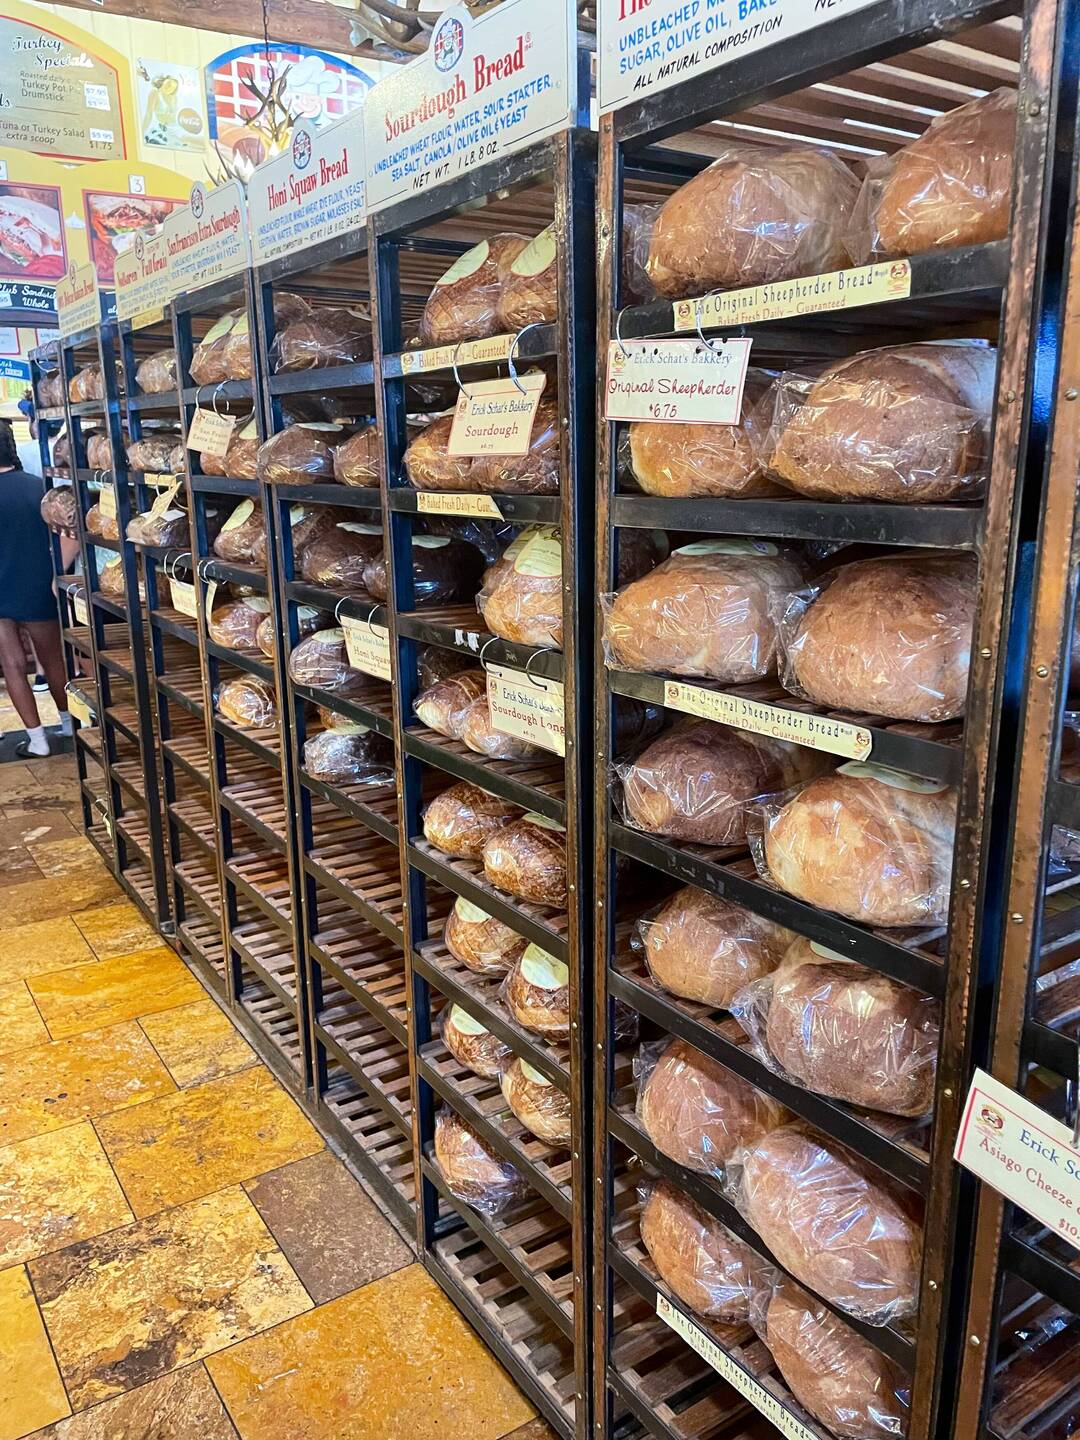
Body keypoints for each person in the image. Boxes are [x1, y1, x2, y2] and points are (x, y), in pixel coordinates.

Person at [0, 419, 72, 755]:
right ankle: (70, 725)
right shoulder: (40, 488)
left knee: (12, 664)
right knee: (54, 660)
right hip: (38, 586)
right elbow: (67, 533)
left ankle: (38, 741)